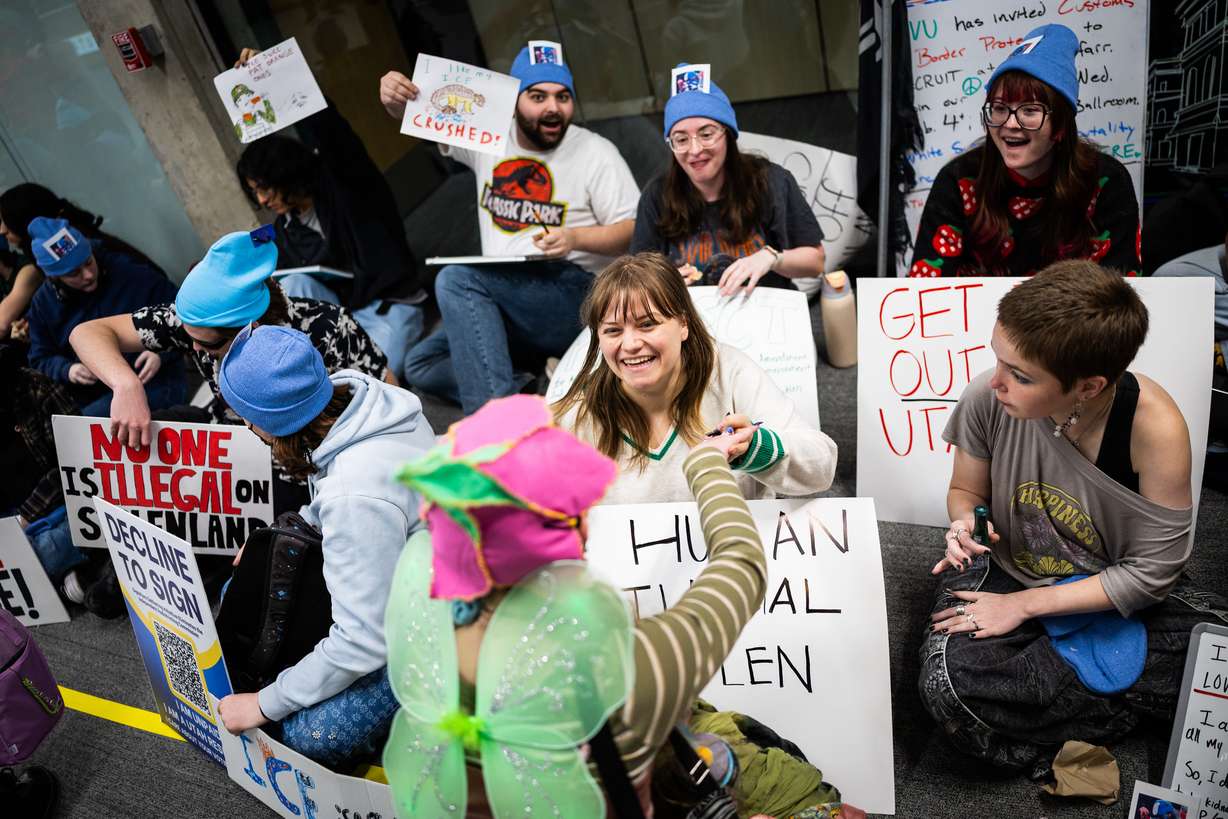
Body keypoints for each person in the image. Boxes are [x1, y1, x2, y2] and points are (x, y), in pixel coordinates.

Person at [384, 394, 861, 817]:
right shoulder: (635, 669)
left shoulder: (425, 628)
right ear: (579, 532)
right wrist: (706, 465)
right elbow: (741, 565)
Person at [918, 260, 1228, 773]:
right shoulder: (988, 396)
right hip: (1008, 567)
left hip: (1111, 586)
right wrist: (965, 526)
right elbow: (966, 491)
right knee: (945, 684)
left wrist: (1026, 608)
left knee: (1214, 647)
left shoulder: (1155, 428)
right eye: (998, 360)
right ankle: (1122, 697)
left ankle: (1066, 701)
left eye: (1019, 375)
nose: (996, 382)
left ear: (1087, 387)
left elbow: (1152, 574)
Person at [215, 325, 435, 767]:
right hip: (420, 560)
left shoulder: (355, 497)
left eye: (246, 417)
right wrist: (275, 539)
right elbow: (340, 495)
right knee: (239, 593)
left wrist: (263, 704)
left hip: (431, 629)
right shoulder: (361, 401)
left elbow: (365, 641)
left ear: (270, 421)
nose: (245, 425)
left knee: (307, 738)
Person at [379, 42, 639, 413]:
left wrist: (574, 238)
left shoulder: (596, 152)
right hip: (506, 294)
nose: (553, 107)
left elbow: (631, 228)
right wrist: (396, 99)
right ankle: (532, 391)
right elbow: (421, 116)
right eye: (537, 96)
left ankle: (497, 428)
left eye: (562, 97)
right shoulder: (488, 136)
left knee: (456, 280)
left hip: (576, 293)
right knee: (421, 362)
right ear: (515, 101)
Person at [68, 227, 389, 450]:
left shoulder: (328, 327)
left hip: (307, 457)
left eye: (208, 346)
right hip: (234, 446)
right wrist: (126, 385)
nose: (193, 348)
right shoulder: (192, 322)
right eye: (189, 336)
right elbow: (86, 333)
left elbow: (388, 389)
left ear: (253, 330)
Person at [553, 253, 837, 504]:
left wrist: (756, 449)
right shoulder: (579, 414)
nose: (630, 344)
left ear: (683, 325)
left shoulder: (730, 372)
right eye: (613, 331)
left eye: (647, 324)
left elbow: (822, 465)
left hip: (736, 558)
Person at [233, 48, 427, 378]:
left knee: (375, 377)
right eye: (255, 193)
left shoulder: (347, 187)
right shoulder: (284, 229)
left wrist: (275, 73)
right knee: (293, 282)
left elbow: (329, 129)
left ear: (286, 175)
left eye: (265, 188)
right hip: (343, 316)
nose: (263, 200)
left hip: (392, 307)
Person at [908, 24, 1141, 278]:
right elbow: (923, 291)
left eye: (1029, 111)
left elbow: (1118, 296)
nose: (1009, 123)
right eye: (999, 108)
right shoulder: (959, 180)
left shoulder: (1106, 182)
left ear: (1060, 126)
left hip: (1072, 318)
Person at [630, 64, 825, 295]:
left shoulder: (771, 181)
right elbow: (637, 277)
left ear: (727, 134)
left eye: (706, 134)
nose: (695, 149)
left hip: (766, 312)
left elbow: (816, 262)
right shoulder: (657, 196)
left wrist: (771, 258)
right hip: (691, 320)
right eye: (681, 139)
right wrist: (663, 284)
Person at [25, 217, 185, 418]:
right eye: (74, 273)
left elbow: (181, 311)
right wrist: (67, 369)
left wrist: (162, 352)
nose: (88, 275)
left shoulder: (128, 270)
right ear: (53, 278)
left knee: (93, 422)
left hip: (155, 378)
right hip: (95, 393)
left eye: (89, 262)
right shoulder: (43, 306)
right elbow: (40, 358)